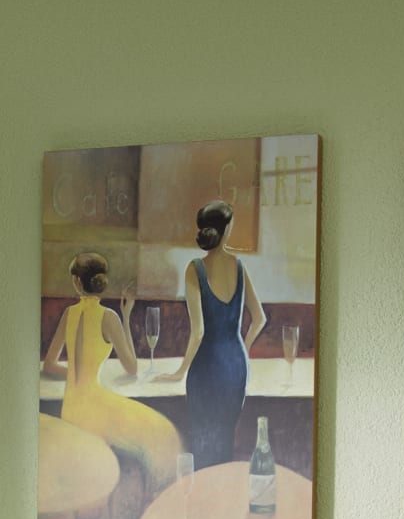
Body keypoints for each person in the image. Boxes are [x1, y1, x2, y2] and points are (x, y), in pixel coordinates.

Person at [41, 251, 181, 490]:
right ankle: (155, 492)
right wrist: (126, 317)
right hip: (94, 411)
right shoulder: (109, 317)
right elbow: (132, 368)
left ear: (76, 281)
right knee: (162, 432)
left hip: (71, 408)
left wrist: (75, 374)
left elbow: (50, 365)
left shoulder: (68, 314)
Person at [157, 198, 266, 467]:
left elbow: (198, 332)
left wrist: (180, 371)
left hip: (206, 367)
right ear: (225, 230)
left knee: (203, 442)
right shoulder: (239, 266)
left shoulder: (195, 269)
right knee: (225, 440)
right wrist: (242, 349)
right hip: (235, 366)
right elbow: (260, 319)